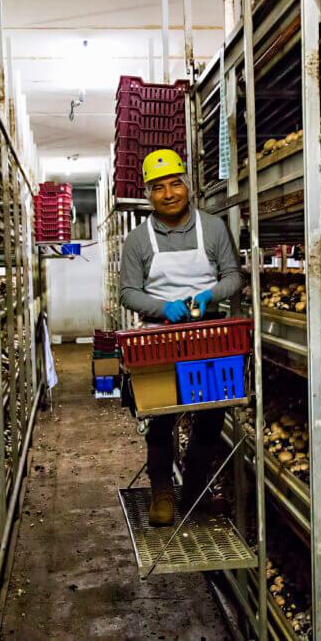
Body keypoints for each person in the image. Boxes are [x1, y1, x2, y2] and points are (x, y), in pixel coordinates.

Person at [119, 148, 245, 527]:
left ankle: (193, 492)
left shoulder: (213, 228)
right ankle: (161, 492)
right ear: (148, 194)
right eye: (159, 188)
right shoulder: (138, 240)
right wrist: (162, 307)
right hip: (159, 340)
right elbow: (127, 292)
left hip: (209, 336)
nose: (169, 193)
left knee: (209, 420)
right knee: (161, 419)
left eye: (176, 183)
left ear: (187, 186)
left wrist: (209, 295)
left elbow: (233, 276)